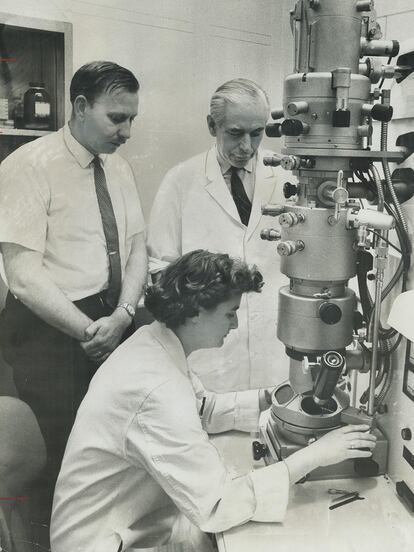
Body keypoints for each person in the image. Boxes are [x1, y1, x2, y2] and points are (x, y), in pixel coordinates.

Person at [51, 250, 377, 552]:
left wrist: (267, 398)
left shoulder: (152, 343)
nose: (235, 325)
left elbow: (200, 408)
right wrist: (315, 455)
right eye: (230, 314)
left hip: (129, 520)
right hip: (102, 543)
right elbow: (218, 505)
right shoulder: (156, 390)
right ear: (195, 313)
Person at [0, 61, 147, 525]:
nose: (126, 132)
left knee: (112, 446)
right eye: (117, 118)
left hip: (111, 318)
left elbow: (139, 244)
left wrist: (124, 313)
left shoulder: (118, 167)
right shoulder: (28, 165)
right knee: (61, 455)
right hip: (52, 329)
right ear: (81, 106)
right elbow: (22, 274)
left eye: (132, 119)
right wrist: (89, 331)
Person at [147, 78, 288, 393]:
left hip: (273, 346)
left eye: (257, 133)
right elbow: (161, 268)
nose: (247, 147)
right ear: (212, 125)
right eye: (235, 133)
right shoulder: (180, 181)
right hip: (209, 350)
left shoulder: (285, 178)